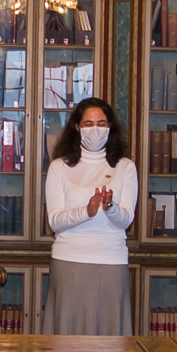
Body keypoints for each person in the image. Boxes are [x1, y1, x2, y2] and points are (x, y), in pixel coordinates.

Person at [42, 98, 137, 334]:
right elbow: (55, 222)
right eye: (88, 124)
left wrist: (110, 207)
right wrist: (87, 211)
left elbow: (126, 219)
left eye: (101, 124)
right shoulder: (59, 167)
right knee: (67, 338)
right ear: (77, 127)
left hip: (111, 262)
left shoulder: (125, 167)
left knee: (110, 340)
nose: (95, 130)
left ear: (110, 127)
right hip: (69, 261)